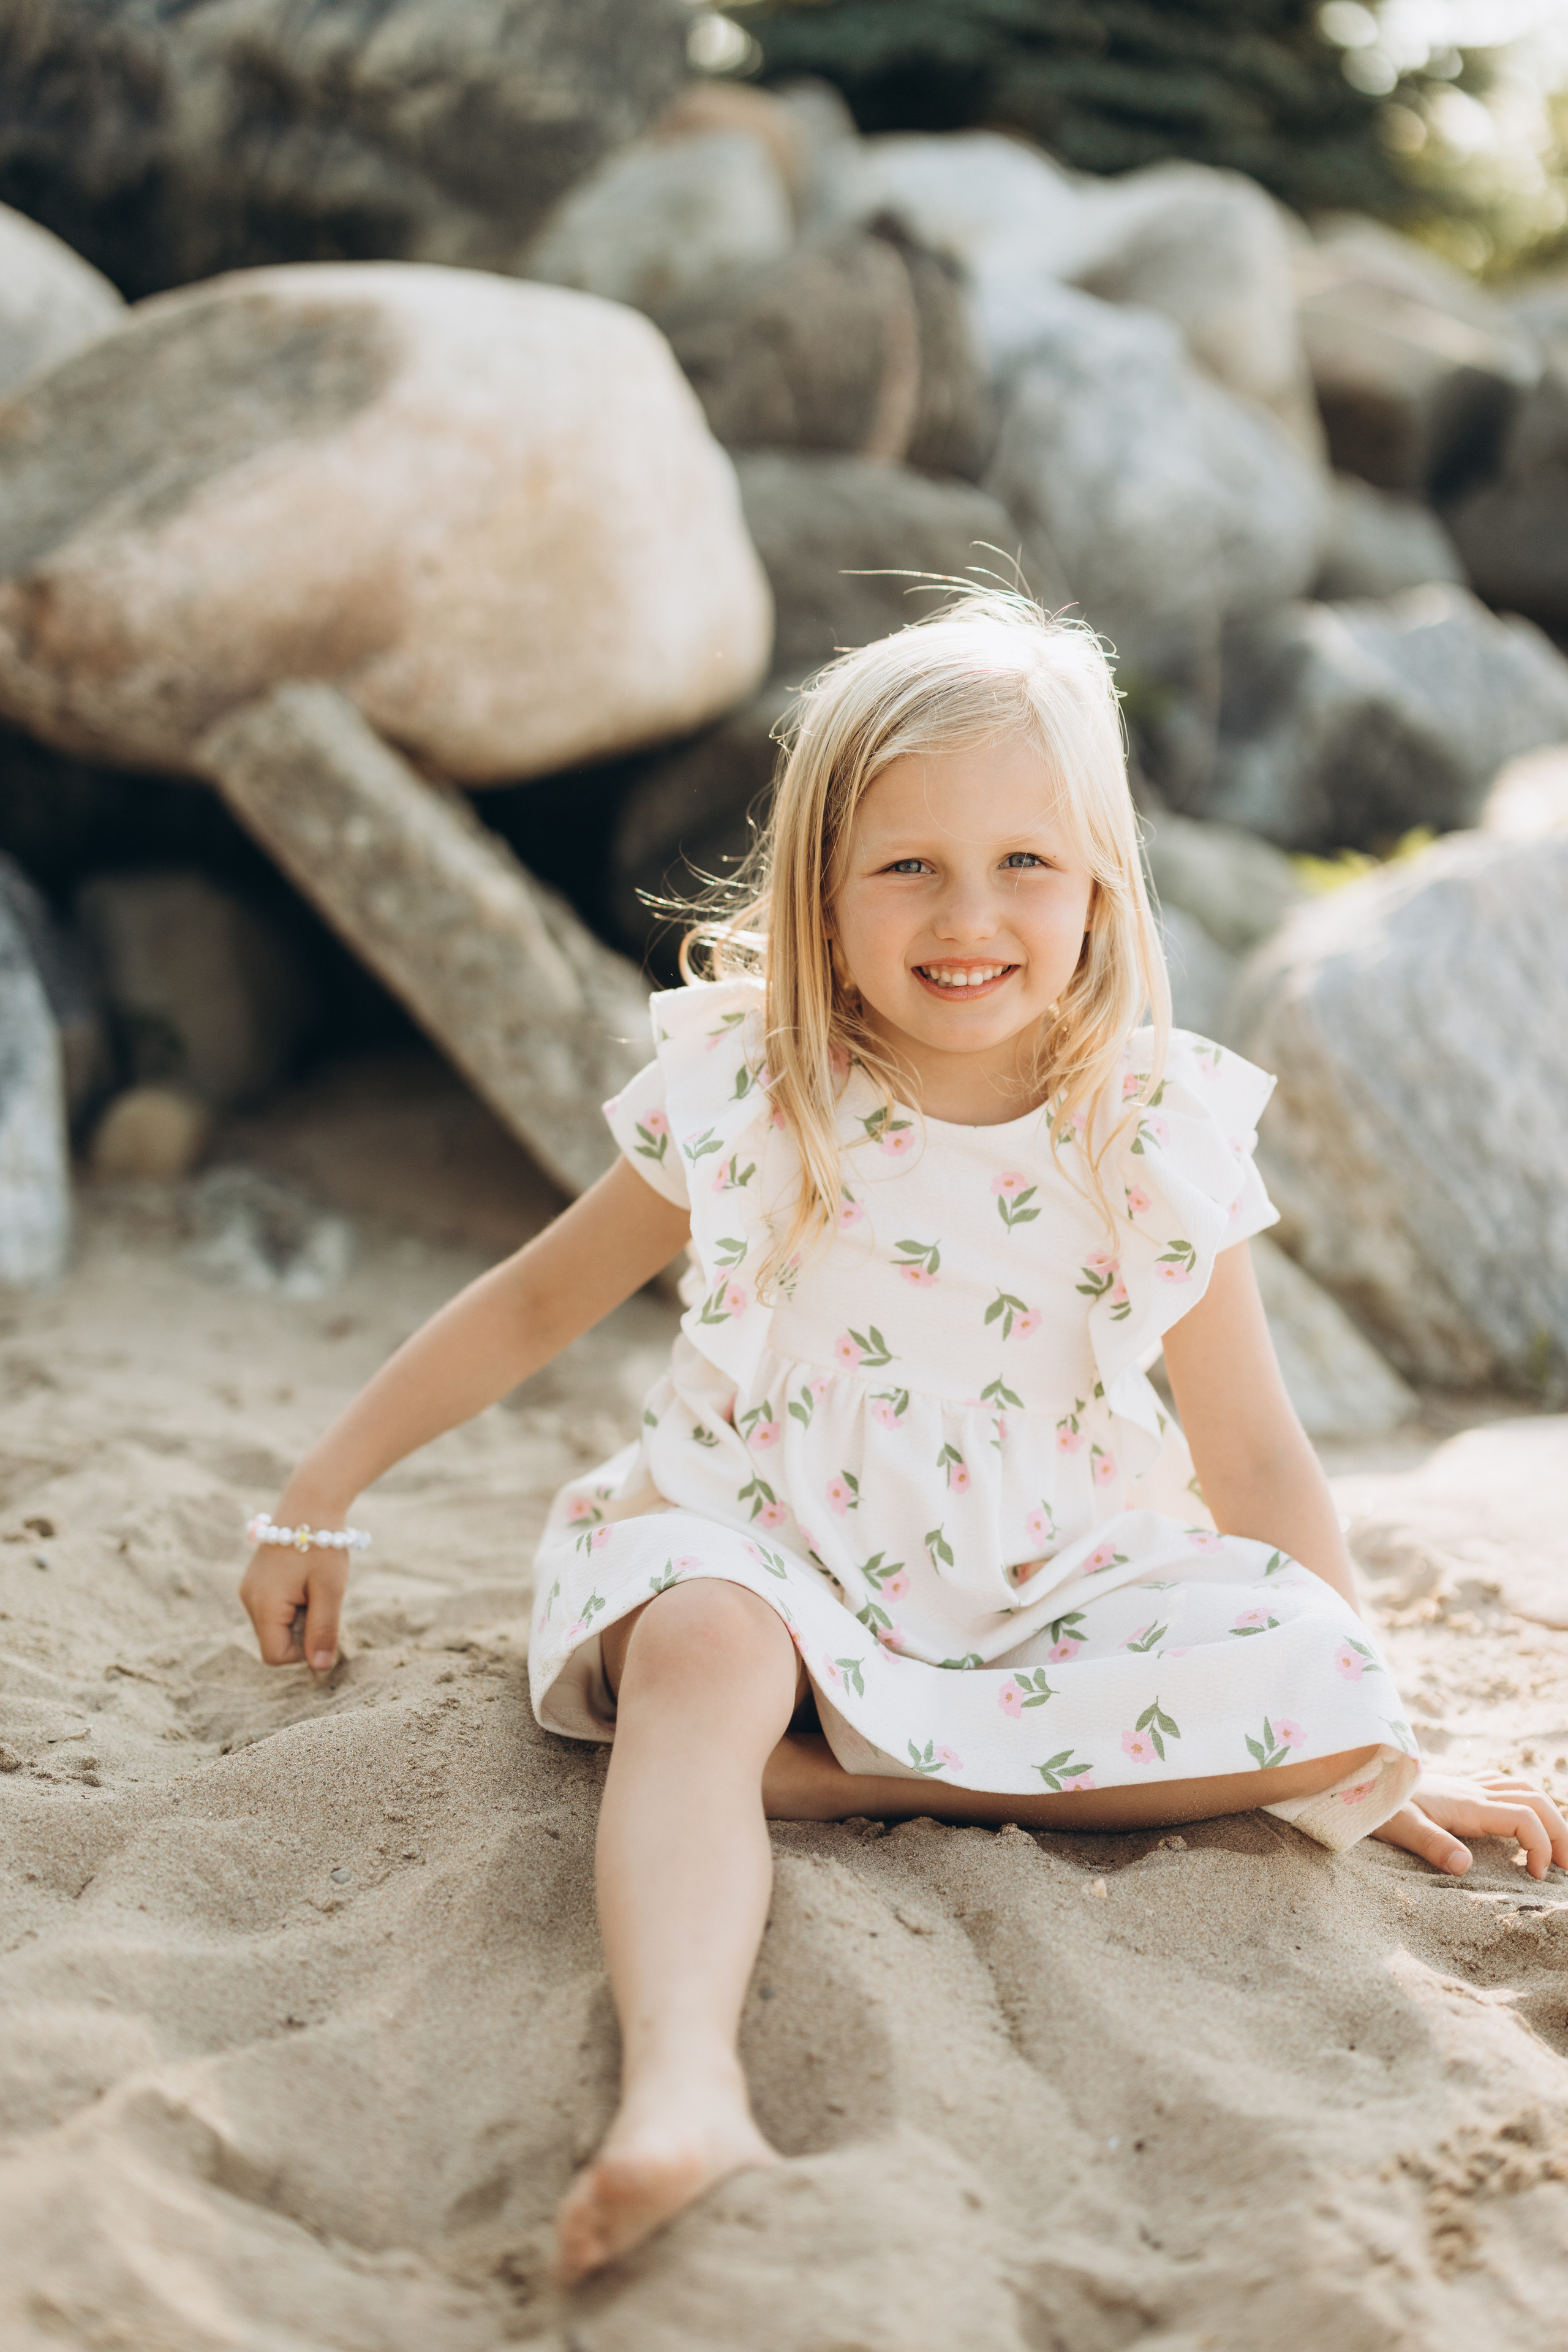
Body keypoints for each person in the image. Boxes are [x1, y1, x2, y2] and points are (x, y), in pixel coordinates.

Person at [239, 591, 1567, 2286]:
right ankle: (686, 2092)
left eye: (1027, 864)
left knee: (1310, 1690)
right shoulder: (753, 1088)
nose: (971, 916)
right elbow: (525, 1307)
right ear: (822, 890)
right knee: (705, 1649)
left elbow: (1255, 1456)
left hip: (1042, 1577)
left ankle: (832, 1777)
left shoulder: (1148, 1128)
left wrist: (1372, 1732)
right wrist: (320, 1493)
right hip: (762, 1540)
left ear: (1100, 883)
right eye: (908, 868)